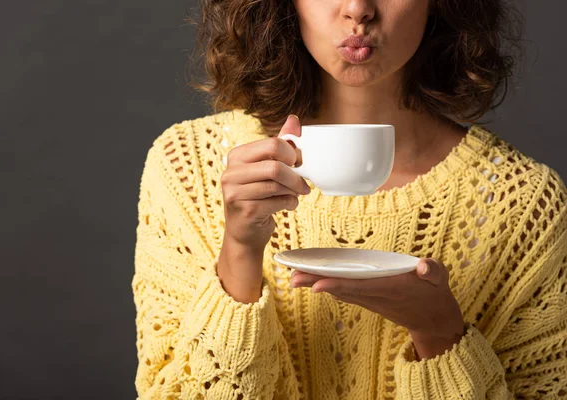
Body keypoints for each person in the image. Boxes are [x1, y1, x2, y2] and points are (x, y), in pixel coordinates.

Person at [132, 0, 567, 398]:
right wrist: (240, 255)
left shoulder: (525, 204)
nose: (358, 9)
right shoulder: (189, 167)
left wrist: (439, 333)